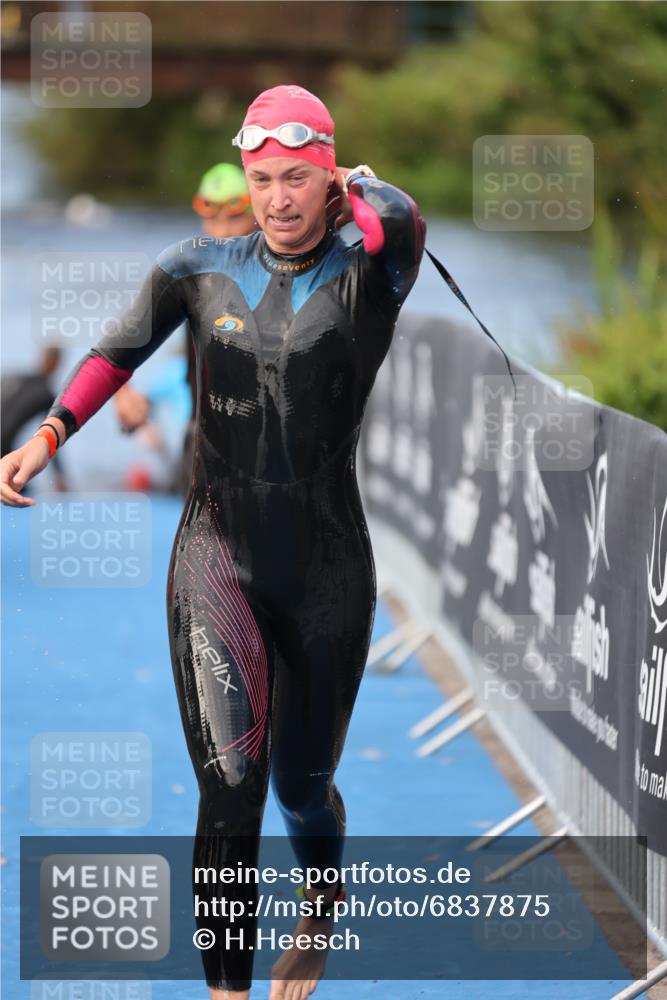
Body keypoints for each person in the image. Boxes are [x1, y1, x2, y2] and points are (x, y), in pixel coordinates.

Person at [1, 84, 425, 999]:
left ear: (328, 182)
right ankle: (224, 994)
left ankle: (321, 895)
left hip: (326, 568)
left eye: (298, 180)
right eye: (262, 178)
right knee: (230, 785)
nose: (277, 198)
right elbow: (117, 352)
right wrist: (46, 437)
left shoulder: (372, 272)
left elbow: (400, 217)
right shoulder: (195, 267)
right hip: (215, 557)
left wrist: (357, 183)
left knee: (301, 788)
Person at [114, 163, 257, 494]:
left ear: (256, 214)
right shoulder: (190, 280)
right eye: (213, 218)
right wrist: (123, 395)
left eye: (234, 217)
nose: (221, 232)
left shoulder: (280, 274)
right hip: (201, 453)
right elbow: (119, 348)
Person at [0, 346, 67, 492]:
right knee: (22, 492)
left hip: (4, 444)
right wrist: (60, 477)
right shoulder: (47, 394)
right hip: (3, 445)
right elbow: (50, 436)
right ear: (57, 364)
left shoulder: (16, 379)